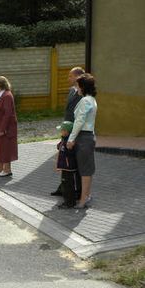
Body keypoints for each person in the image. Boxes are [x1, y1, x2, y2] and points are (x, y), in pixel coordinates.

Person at [51, 67, 85, 196]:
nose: (68, 79)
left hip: (75, 131)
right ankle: (64, 188)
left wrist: (72, 132)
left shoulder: (83, 93)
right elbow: (68, 112)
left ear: (78, 77)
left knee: (75, 161)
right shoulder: (71, 91)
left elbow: (79, 116)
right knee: (64, 159)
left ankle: (78, 190)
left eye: (70, 76)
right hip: (67, 130)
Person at [67, 73, 98, 209]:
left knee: (84, 170)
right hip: (89, 136)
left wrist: (71, 139)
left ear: (82, 86)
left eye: (78, 85)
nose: (76, 87)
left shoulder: (85, 101)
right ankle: (87, 195)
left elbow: (79, 122)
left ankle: (83, 199)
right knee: (88, 169)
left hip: (83, 137)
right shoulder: (91, 99)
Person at [55, 121, 78, 209]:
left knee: (68, 185)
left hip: (68, 167)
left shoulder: (69, 141)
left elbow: (69, 151)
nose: (61, 132)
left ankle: (69, 203)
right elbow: (59, 147)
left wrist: (64, 145)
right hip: (66, 167)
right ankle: (69, 201)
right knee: (66, 183)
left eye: (62, 130)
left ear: (66, 131)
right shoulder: (65, 139)